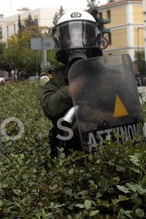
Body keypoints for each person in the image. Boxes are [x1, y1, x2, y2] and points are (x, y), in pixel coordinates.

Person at [37, 10, 104, 154]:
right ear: (61, 41)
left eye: (83, 35)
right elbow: (50, 108)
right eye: (70, 37)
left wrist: (96, 116)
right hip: (69, 149)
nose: (76, 41)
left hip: (107, 145)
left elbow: (127, 112)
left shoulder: (106, 73)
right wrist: (71, 90)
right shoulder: (53, 76)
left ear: (93, 38)